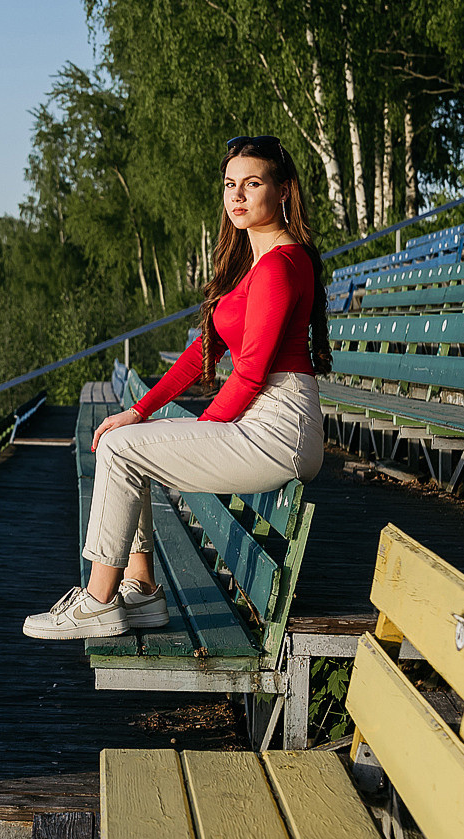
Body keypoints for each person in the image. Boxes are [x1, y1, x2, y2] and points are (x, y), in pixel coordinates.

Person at [24, 134, 330, 640]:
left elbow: (251, 372)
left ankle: (98, 601)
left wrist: (201, 432)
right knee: (127, 440)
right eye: (230, 185)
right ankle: (140, 593)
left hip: (280, 427)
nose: (237, 195)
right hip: (268, 422)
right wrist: (139, 411)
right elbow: (202, 351)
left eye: (251, 184)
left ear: (282, 192)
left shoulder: (279, 265)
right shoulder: (258, 264)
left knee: (122, 451)